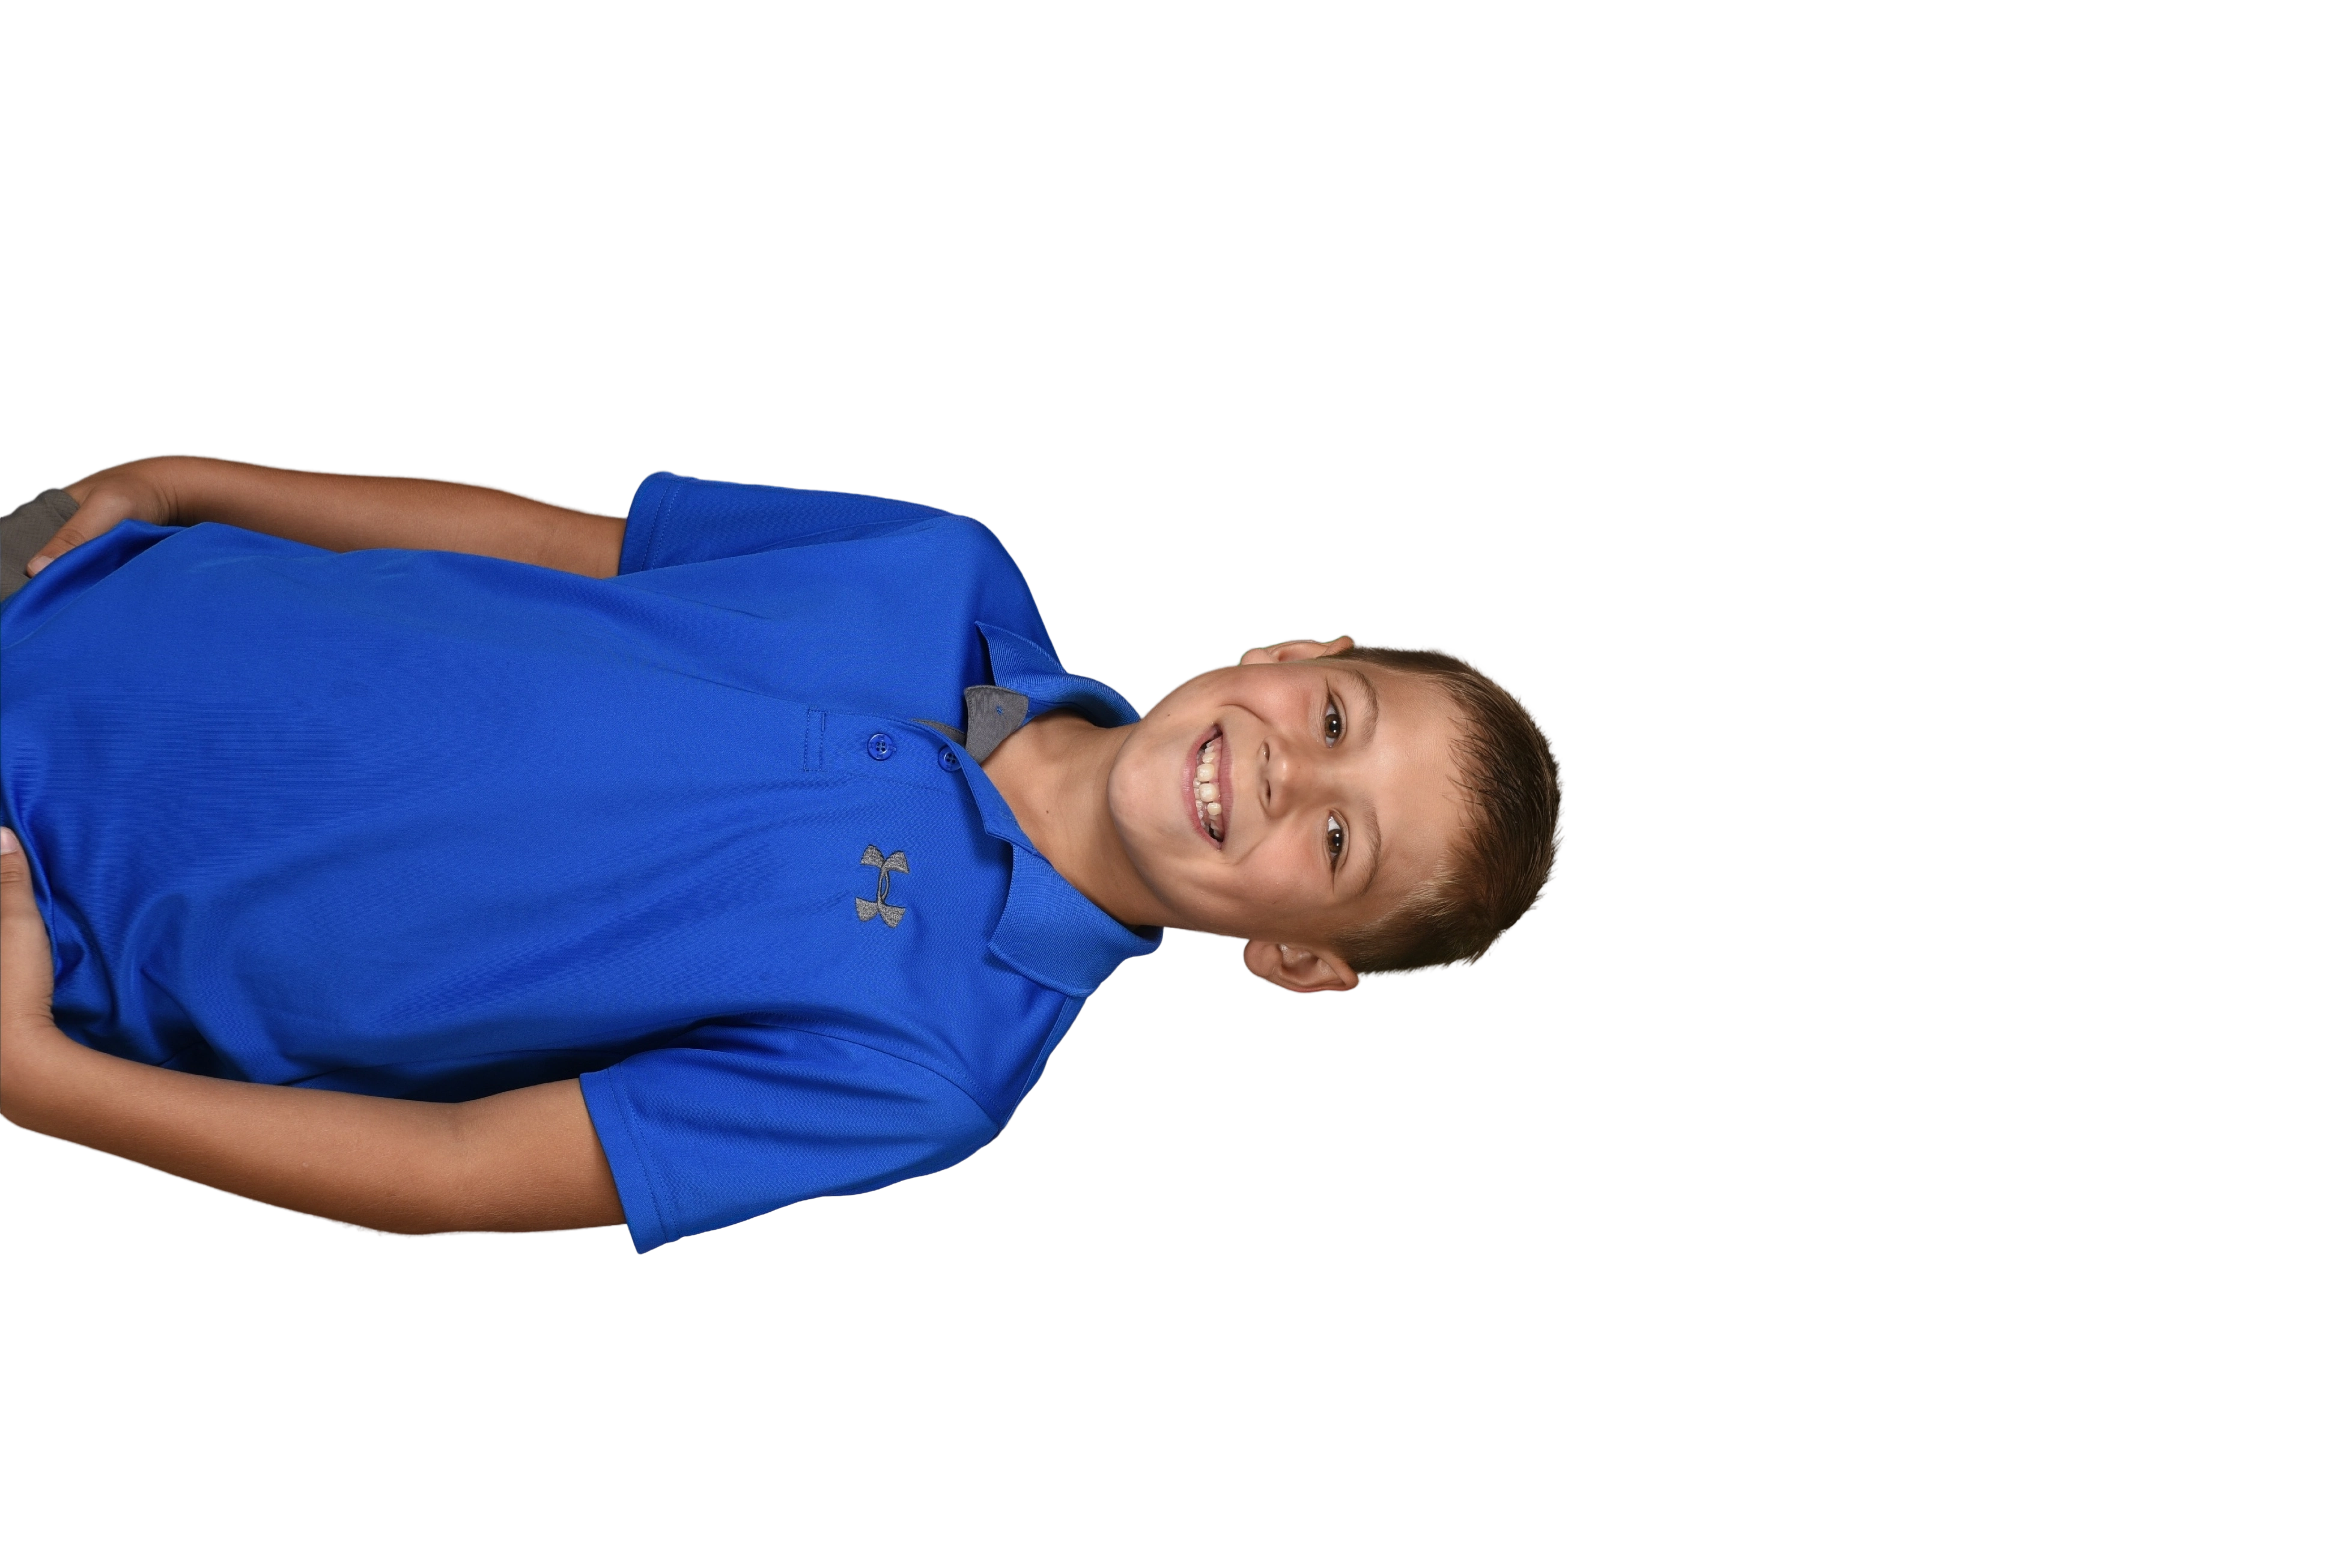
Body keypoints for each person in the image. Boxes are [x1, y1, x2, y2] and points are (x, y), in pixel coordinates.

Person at [0, 457, 1567, 1251]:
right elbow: (547, 544)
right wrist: (191, 482)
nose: (1288, 769)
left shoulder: (931, 1068)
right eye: (1337, 717)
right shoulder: (941, 564)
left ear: (1298, 959)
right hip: (84, 582)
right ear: (1296, 656)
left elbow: (458, 1175)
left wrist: (38, 1081)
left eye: (1339, 840)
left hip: (44, 897)